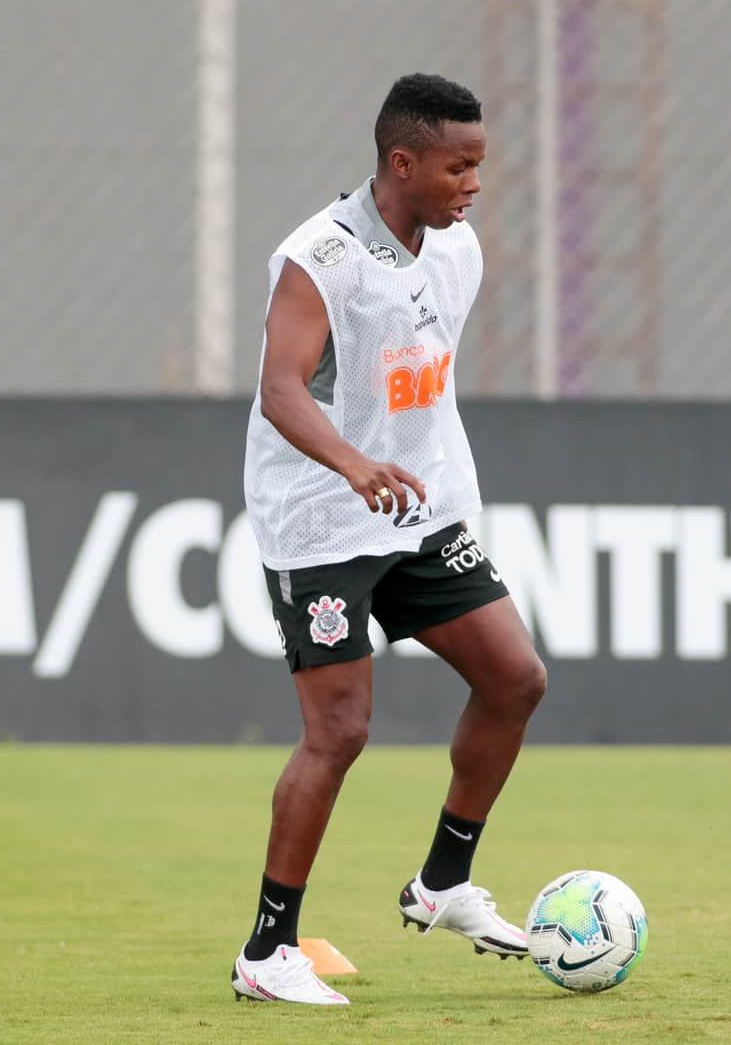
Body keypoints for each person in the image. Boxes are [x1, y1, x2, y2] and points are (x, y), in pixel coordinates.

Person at [231, 73, 547, 1006]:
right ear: (402, 161)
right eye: (460, 166)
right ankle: (267, 952)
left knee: (515, 679)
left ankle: (442, 883)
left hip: (420, 511)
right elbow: (281, 389)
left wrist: (408, 477)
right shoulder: (318, 259)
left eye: (479, 166)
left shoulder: (457, 251)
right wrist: (352, 464)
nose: (474, 184)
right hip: (321, 520)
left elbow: (416, 374)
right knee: (340, 731)